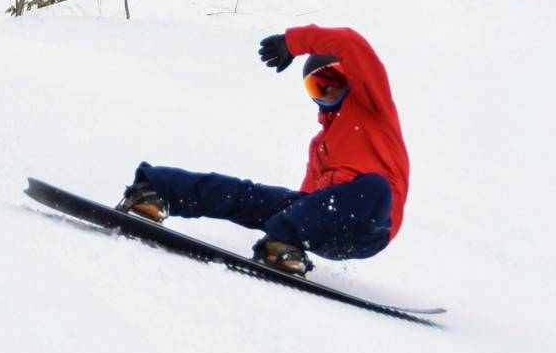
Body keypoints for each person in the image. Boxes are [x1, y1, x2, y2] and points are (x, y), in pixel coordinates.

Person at [117, 25, 410, 277]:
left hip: (369, 227)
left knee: (375, 186)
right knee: (250, 195)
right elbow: (307, 202)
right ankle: (154, 190)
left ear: (353, 78)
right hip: (320, 226)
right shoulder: (319, 146)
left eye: (335, 81)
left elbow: (349, 43)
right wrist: (291, 218)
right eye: (318, 87)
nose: (329, 92)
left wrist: (292, 43)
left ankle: (282, 239)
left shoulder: (374, 108)